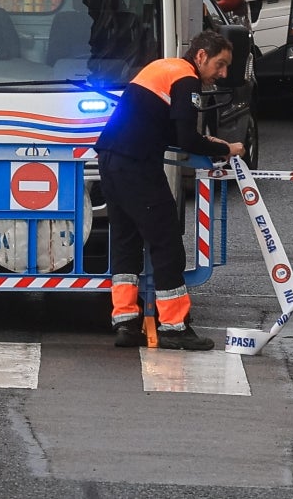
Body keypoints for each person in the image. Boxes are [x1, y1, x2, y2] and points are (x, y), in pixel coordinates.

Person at [94, 30, 243, 351]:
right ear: (201, 56)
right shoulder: (187, 79)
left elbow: (167, 129)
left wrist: (209, 142)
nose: (222, 74)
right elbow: (187, 138)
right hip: (137, 164)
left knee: (125, 241)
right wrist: (226, 148)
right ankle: (174, 327)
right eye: (220, 64)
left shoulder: (164, 67)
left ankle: (125, 323)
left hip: (110, 158)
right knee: (167, 243)